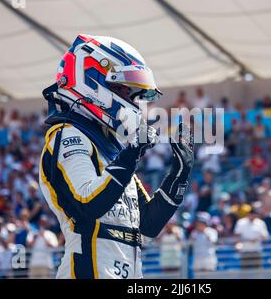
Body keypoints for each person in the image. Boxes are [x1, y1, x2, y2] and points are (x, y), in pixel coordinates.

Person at [39, 35, 194, 279]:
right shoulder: (67, 135)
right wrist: (132, 153)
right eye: (122, 89)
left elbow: (146, 226)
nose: (131, 101)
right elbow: (88, 202)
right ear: (90, 80)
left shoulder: (113, 150)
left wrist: (178, 176)